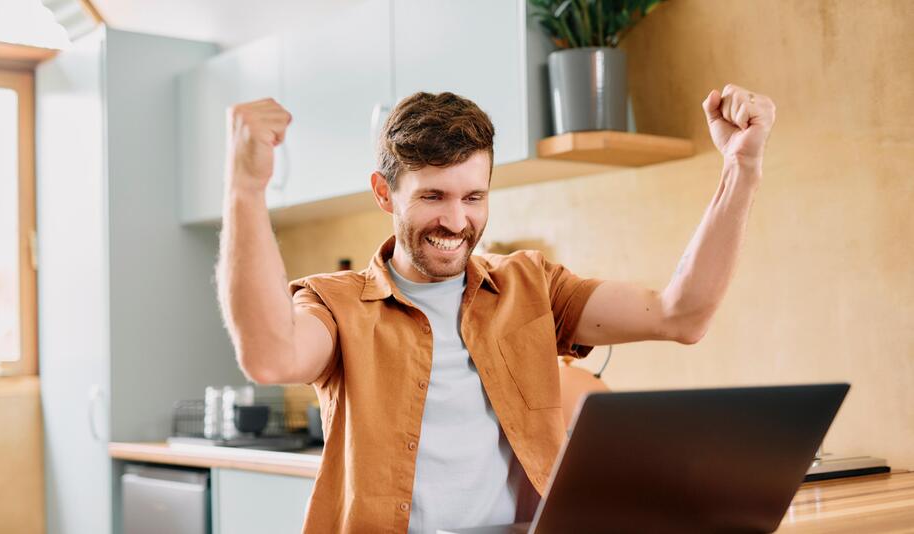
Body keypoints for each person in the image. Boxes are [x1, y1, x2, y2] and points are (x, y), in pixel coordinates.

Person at [216, 87, 776, 534]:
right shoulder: (334, 303)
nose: (457, 222)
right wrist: (246, 189)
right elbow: (269, 357)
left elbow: (681, 315)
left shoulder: (529, 285)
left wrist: (740, 169)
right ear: (384, 194)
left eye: (473, 197)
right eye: (432, 196)